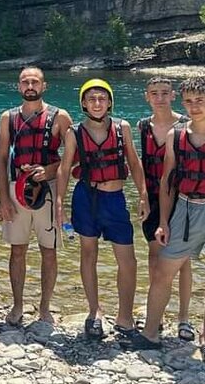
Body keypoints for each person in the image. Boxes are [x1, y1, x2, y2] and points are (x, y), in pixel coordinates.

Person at [124, 77, 205, 363]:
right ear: (182, 102)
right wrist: (164, 222)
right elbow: (167, 181)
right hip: (185, 209)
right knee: (162, 270)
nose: (195, 107)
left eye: (200, 101)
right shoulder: (177, 135)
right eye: (189, 101)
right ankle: (150, 334)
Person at [57, 79, 147, 340]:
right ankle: (94, 311)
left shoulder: (123, 128)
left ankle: (125, 316)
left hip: (115, 200)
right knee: (88, 253)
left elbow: (133, 160)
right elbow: (64, 168)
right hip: (87, 198)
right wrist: (60, 204)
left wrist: (144, 195)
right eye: (92, 99)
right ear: (84, 103)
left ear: (109, 102)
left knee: (128, 260)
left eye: (102, 99)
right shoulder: (74, 132)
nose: (97, 103)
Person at [0, 67, 73, 327]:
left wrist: (50, 170)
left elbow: (72, 158)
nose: (30, 86)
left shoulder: (60, 117)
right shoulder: (8, 117)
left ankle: (44, 307)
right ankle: (18, 305)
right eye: (25, 82)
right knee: (17, 250)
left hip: (47, 190)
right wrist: (3, 197)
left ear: (44, 85)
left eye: (35, 82)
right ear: (19, 87)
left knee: (48, 251)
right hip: (17, 188)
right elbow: (3, 158)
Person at [138, 77, 194, 341]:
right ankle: (157, 315)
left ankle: (184, 317)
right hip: (151, 196)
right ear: (146, 97)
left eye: (164, 93)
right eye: (154, 94)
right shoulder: (142, 126)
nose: (159, 98)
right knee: (154, 256)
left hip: (181, 198)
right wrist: (142, 197)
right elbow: (141, 165)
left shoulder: (187, 125)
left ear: (173, 95)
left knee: (182, 261)